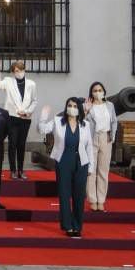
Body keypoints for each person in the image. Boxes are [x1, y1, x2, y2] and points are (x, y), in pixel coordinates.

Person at [38, 98, 95, 237]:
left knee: (79, 195)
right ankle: (68, 226)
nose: (72, 108)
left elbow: (89, 146)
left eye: (75, 106)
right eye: (69, 105)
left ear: (79, 109)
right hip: (63, 160)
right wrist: (43, 116)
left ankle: (77, 226)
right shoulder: (58, 122)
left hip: (81, 161)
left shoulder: (85, 124)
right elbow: (42, 129)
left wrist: (91, 167)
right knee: (64, 194)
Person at [0, 59, 38, 180]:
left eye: (21, 70)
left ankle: (21, 170)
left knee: (21, 145)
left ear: (24, 70)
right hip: (12, 117)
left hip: (25, 118)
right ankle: (13, 170)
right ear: (13, 72)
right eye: (16, 71)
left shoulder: (31, 84)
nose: (19, 73)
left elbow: (34, 101)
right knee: (12, 144)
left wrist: (27, 112)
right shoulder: (8, 81)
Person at [84, 82, 118, 211]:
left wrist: (112, 136)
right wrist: (86, 111)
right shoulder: (88, 105)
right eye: (95, 90)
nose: (97, 92)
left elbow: (114, 121)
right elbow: (83, 122)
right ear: (91, 93)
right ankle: (92, 199)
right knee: (91, 170)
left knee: (103, 171)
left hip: (106, 138)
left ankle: (101, 200)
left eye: (100, 90)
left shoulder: (110, 105)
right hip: (92, 138)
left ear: (104, 91)